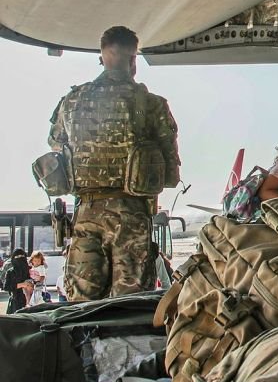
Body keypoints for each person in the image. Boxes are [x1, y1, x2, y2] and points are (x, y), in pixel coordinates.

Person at [47, 26, 181, 301]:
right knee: (128, 306)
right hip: (131, 217)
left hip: (86, 215)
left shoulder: (71, 101)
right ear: (133, 60)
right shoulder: (152, 104)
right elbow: (169, 174)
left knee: (80, 306)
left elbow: (56, 146)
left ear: (102, 58)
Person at [3, 249, 32, 314]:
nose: (20, 258)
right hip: (15, 302)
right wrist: (22, 284)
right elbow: (6, 287)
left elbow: (38, 282)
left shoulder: (31, 270)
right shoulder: (10, 272)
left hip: (31, 300)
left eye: (22, 256)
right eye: (17, 256)